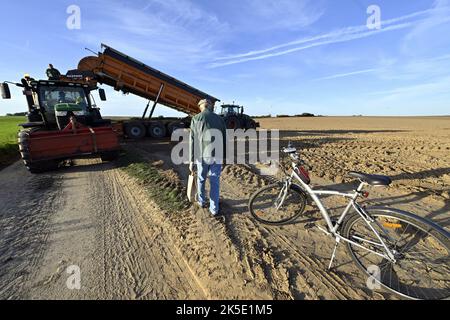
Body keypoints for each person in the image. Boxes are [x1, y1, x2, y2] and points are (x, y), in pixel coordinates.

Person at [189, 99, 227, 217]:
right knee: (214, 181)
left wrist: (191, 160)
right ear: (210, 106)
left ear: (201, 107)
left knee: (201, 179)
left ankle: (201, 201)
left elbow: (192, 140)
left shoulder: (196, 119)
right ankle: (214, 209)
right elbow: (225, 138)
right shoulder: (220, 119)